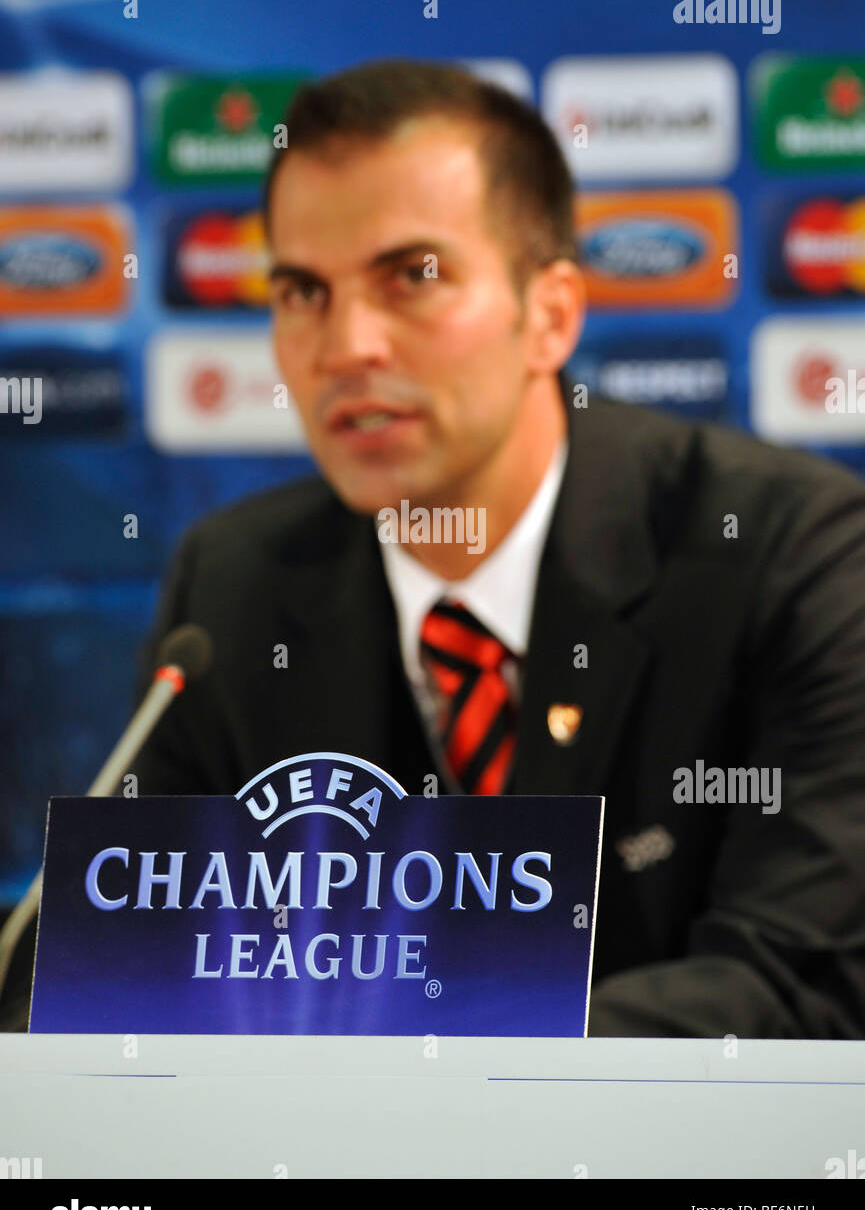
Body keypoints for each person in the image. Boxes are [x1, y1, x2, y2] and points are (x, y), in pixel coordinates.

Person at [131, 59, 865, 1038]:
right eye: (302, 288)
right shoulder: (230, 588)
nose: (346, 344)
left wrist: (412, 1090)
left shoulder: (787, 554)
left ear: (550, 315)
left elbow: (792, 987)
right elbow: (121, 971)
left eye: (412, 277)